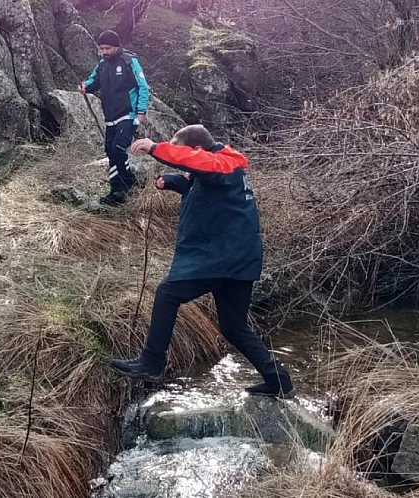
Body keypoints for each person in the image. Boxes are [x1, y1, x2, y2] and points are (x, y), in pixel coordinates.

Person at [109, 124, 295, 398]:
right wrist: (172, 182)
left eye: (183, 153)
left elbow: (201, 166)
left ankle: (152, 362)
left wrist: (154, 148)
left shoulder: (222, 164)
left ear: (197, 149)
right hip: (238, 259)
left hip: (223, 258)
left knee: (168, 293)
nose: (183, 160)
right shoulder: (223, 168)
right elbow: (200, 184)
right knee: (234, 327)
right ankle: (278, 380)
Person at [78, 30, 150, 206]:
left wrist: (141, 111)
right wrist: (85, 86)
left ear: (117, 46)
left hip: (128, 115)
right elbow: (93, 81)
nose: (104, 52)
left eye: (107, 48)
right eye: (101, 48)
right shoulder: (102, 64)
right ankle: (115, 190)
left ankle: (128, 183)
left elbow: (143, 87)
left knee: (118, 148)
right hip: (110, 117)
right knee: (110, 152)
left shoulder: (129, 61)